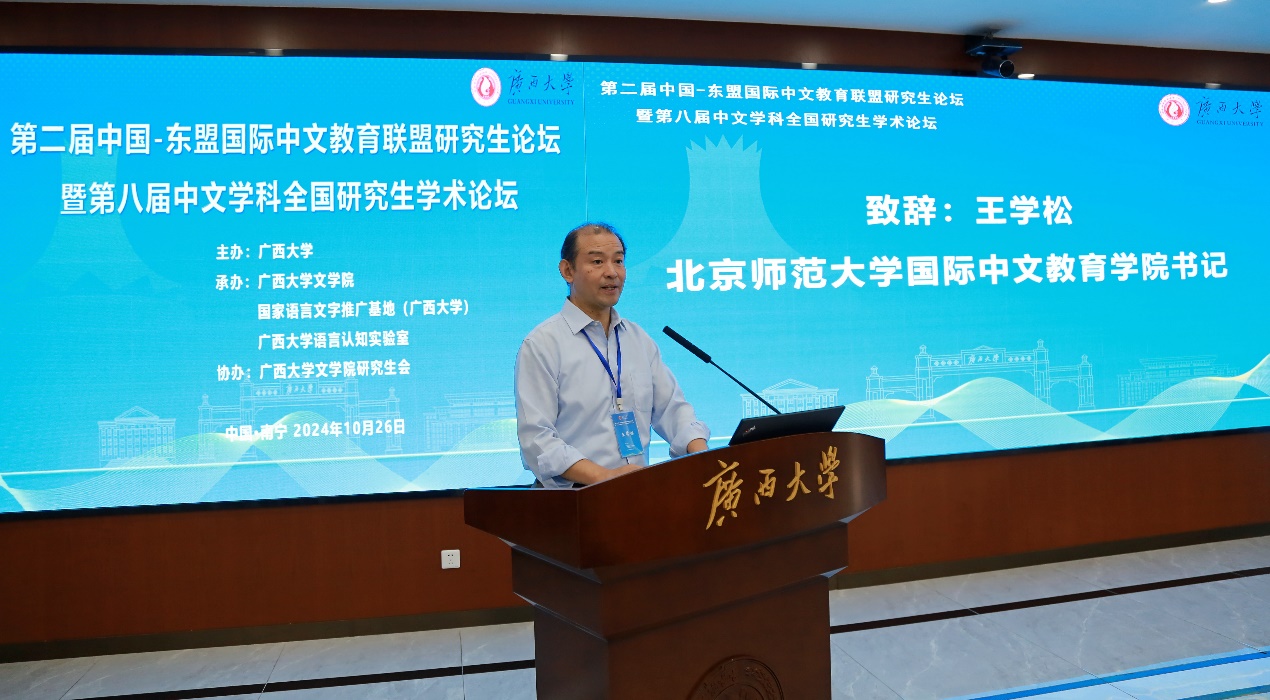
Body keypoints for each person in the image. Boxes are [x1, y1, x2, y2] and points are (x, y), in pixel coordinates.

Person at [515, 222, 710, 488]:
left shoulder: (637, 339)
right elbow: (536, 440)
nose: (611, 272)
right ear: (568, 271)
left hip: (635, 495)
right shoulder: (542, 344)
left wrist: (703, 456)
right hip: (574, 499)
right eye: (597, 262)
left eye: (618, 261)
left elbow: (673, 410)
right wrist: (603, 478)